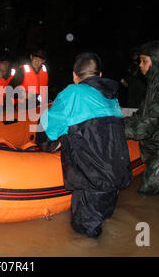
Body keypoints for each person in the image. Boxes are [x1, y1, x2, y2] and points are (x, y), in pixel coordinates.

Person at [37, 52, 132, 238]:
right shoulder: (111, 97)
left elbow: (46, 132)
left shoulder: (72, 93)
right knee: (102, 227)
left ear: (74, 75)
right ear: (100, 75)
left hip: (92, 182)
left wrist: (51, 144)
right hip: (115, 179)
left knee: (84, 238)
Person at [124, 40, 159, 195]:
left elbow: (146, 126)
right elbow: (141, 115)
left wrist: (115, 129)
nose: (140, 65)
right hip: (153, 152)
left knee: (146, 199)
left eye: (144, 61)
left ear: (155, 62)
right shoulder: (155, 85)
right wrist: (118, 122)